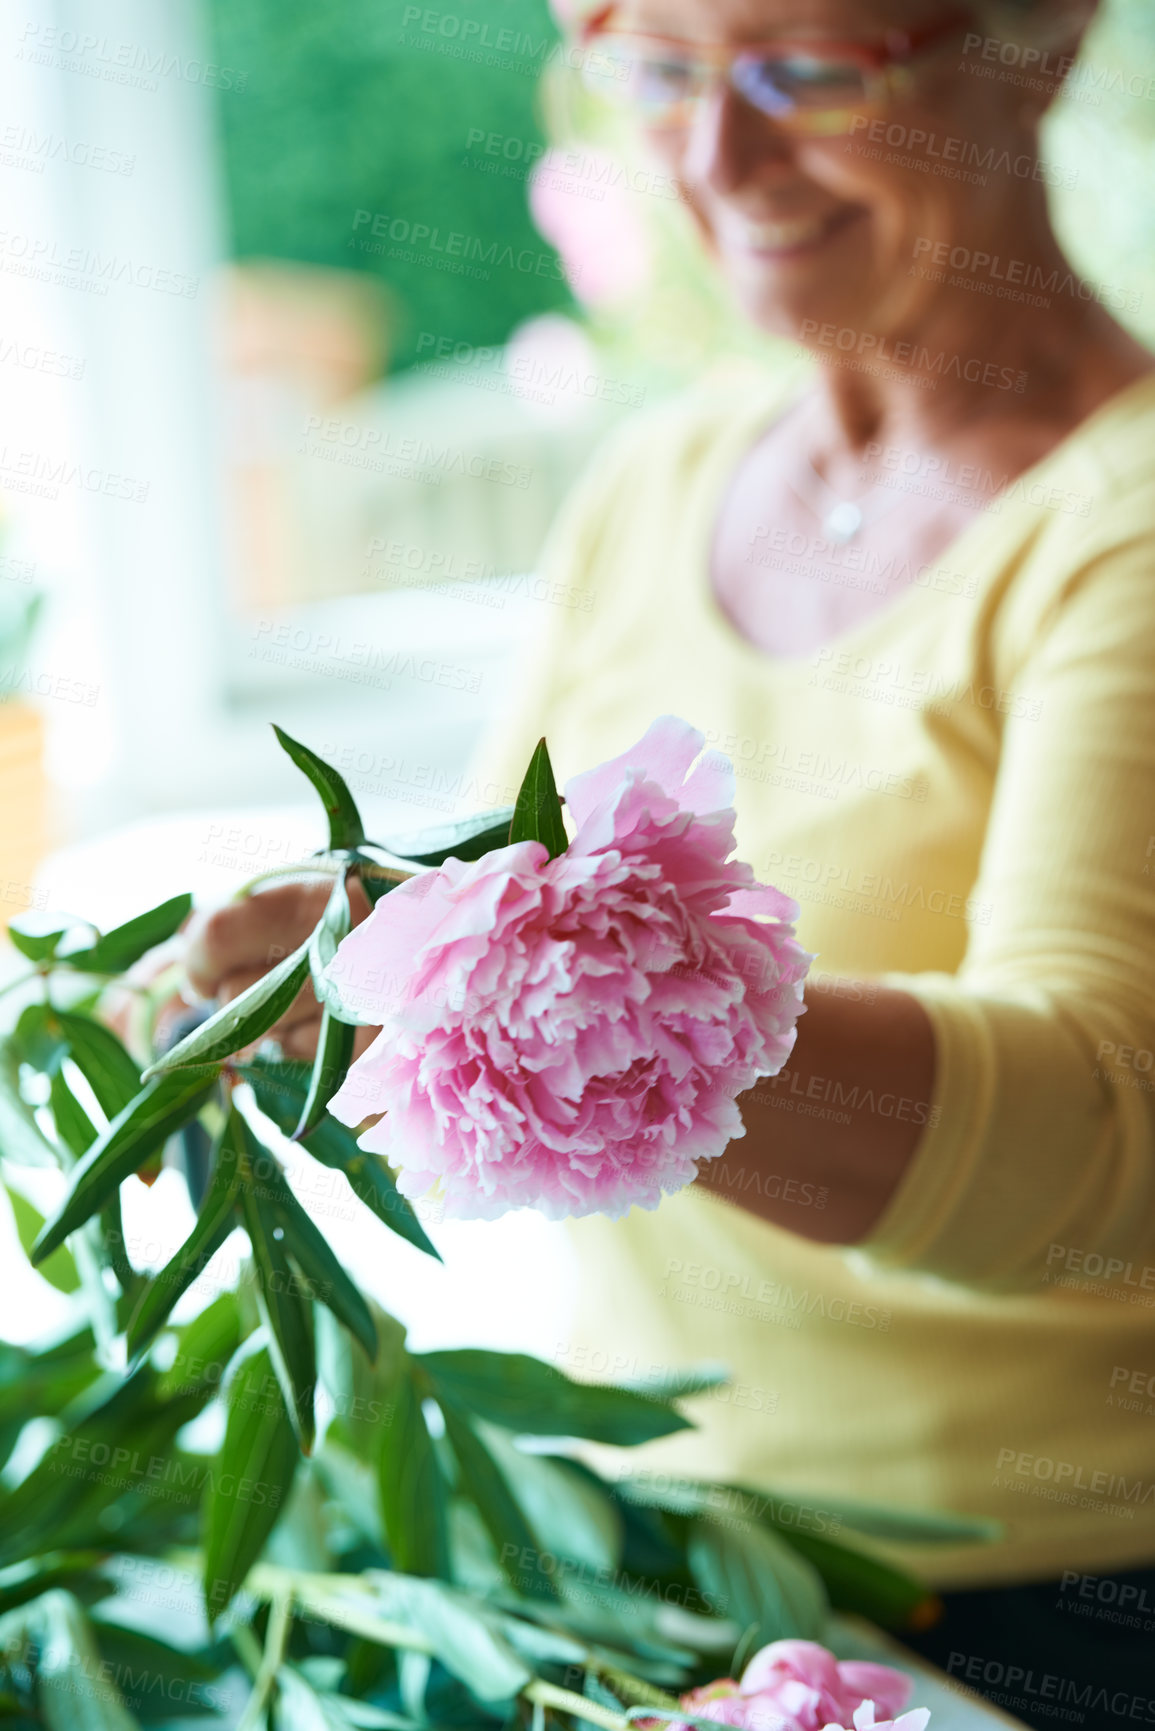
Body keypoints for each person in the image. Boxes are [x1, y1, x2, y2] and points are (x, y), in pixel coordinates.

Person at [186, 0, 1155, 1718]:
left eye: (806, 72)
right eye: (659, 73)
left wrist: (545, 991)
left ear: (1043, 39)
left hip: (1046, 1593)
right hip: (652, 1536)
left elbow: (1090, 1131)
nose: (714, 157)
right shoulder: (661, 475)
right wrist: (279, 999)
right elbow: (469, 980)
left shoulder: (1123, 526)